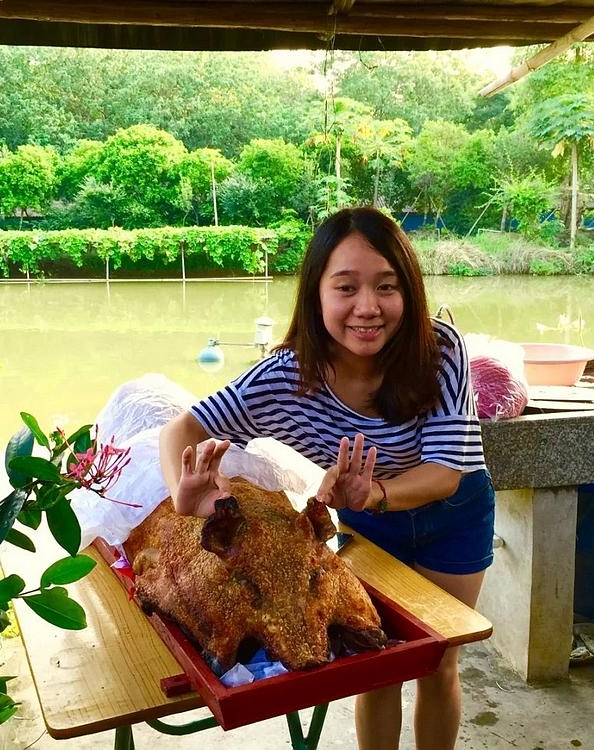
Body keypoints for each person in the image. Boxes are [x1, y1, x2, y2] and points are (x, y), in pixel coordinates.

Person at [159, 205, 495, 750]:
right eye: (345, 287)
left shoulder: (440, 350)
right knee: (377, 664)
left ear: (408, 292)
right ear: (316, 294)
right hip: (372, 520)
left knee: (440, 662)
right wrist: (184, 492)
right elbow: (182, 428)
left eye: (386, 286)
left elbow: (444, 475)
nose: (368, 307)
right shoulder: (286, 378)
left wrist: (376, 491)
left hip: (455, 515)